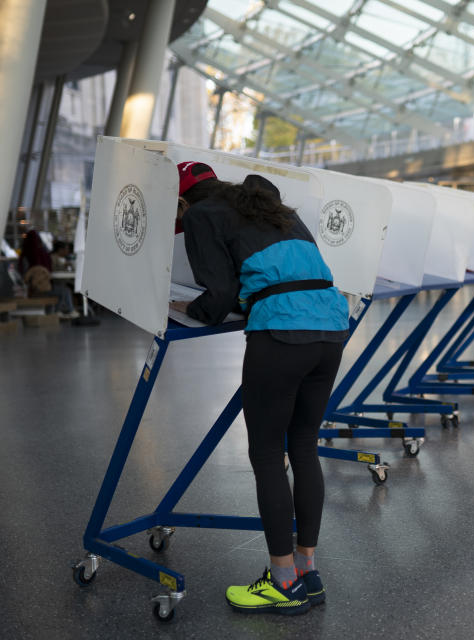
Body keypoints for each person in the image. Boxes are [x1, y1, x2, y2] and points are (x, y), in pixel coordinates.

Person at [169, 161, 350, 615]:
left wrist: (187, 305)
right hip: (330, 327)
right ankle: (307, 572)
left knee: (268, 455)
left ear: (182, 201)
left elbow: (222, 293)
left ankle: (281, 582)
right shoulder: (271, 206)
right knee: (305, 447)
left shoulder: (199, 215)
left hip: (282, 333)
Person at [18, 229, 77, 319]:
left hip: (31, 289)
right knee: (64, 291)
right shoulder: (42, 255)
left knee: (61, 290)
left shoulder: (25, 256)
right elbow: (48, 272)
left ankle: (57, 312)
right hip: (39, 289)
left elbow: (24, 276)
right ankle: (65, 311)